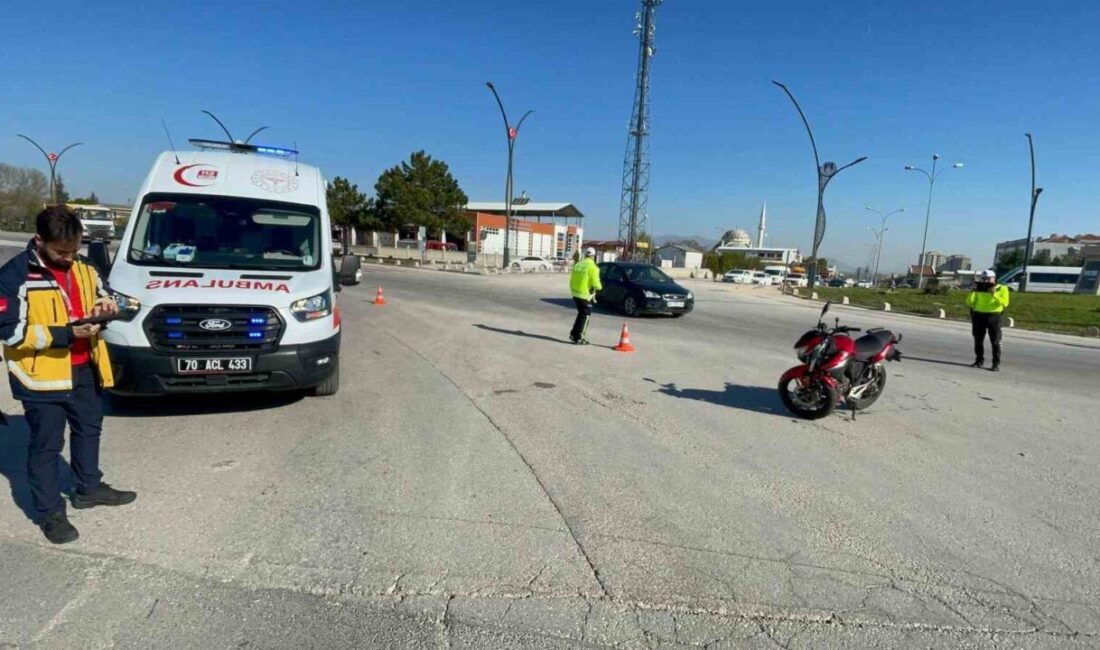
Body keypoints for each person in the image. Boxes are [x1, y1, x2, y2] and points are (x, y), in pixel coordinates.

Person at [0, 206, 137, 544]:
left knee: (89, 430)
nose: (69, 257)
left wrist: (106, 305)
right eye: (62, 251)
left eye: (75, 249)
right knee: (47, 447)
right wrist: (66, 334)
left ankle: (88, 488)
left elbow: (102, 292)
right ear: (39, 241)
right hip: (41, 376)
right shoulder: (14, 275)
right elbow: (9, 331)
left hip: (85, 367)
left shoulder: (84, 265)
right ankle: (49, 514)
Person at [966, 269, 1010, 371]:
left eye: (987, 279)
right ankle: (979, 360)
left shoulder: (1002, 288)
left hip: (994, 316)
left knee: (995, 341)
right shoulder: (979, 288)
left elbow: (1005, 303)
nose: (985, 281)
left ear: (993, 278)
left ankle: (995, 363)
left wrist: (994, 294)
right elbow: (970, 303)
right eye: (983, 279)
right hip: (979, 315)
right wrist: (973, 291)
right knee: (978, 340)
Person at [568, 247, 602, 345]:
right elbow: (596, 284)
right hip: (584, 295)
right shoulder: (593, 267)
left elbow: (572, 278)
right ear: (593, 256)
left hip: (575, 293)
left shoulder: (578, 264)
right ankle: (579, 337)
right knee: (585, 315)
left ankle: (574, 334)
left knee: (581, 314)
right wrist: (600, 287)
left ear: (585, 255)